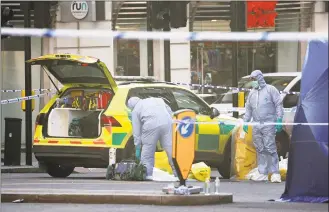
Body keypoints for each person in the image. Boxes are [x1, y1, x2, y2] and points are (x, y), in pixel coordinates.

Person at [243, 70, 284, 183]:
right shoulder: (252, 93)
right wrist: (245, 122)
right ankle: (263, 172)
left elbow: (278, 104)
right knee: (260, 148)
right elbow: (248, 109)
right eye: (252, 80)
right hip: (256, 124)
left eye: (254, 79)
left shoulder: (271, 90)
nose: (253, 82)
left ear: (260, 78)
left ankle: (275, 173)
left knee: (270, 147)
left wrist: (279, 119)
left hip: (268, 123)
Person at [127, 97, 177, 180]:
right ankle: (177, 173)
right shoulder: (156, 99)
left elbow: (136, 131)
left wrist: (138, 147)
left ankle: (147, 174)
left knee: (148, 150)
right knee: (170, 149)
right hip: (167, 123)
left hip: (150, 125)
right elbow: (169, 110)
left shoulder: (135, 110)